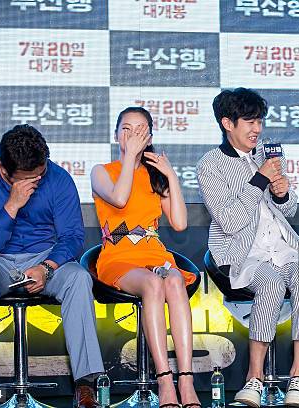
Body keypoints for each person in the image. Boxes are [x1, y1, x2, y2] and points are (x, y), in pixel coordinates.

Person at [0, 124, 104, 408]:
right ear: (2, 168)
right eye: (28, 179)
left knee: (79, 278)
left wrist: (47, 267)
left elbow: (72, 237)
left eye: (40, 174)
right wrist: (12, 205)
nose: (36, 182)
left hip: (46, 258)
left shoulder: (58, 178)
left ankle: (86, 386)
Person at [197, 88, 299, 408]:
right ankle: (254, 379)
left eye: (260, 121)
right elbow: (231, 220)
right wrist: (261, 180)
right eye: (249, 122)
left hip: (281, 246)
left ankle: (298, 377)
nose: (257, 129)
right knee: (270, 280)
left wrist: (281, 192)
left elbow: (288, 210)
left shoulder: (266, 153)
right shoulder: (211, 164)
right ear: (227, 123)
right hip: (241, 253)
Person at [91, 107, 200, 408]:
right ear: (116, 135)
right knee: (153, 284)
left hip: (154, 254)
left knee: (175, 281)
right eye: (126, 129)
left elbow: (179, 223)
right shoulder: (102, 171)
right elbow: (120, 198)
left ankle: (186, 380)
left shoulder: (155, 176)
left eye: (140, 130)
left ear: (149, 136)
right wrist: (130, 158)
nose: (133, 135)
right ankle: (164, 379)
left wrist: (172, 177)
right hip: (118, 257)